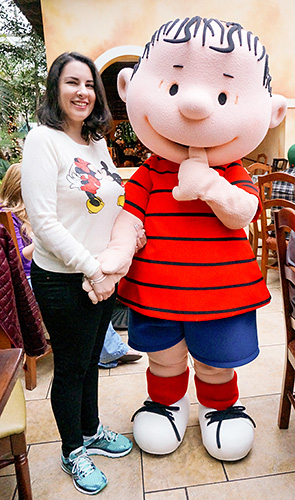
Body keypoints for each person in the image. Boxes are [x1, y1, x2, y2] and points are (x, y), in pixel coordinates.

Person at [84, 16, 286, 462]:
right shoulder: (151, 172)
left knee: (216, 361)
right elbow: (129, 217)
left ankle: (220, 408)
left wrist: (211, 186)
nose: (195, 106)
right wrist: (117, 253)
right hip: (157, 292)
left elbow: (244, 215)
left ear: (272, 112)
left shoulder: (235, 172)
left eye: (222, 95)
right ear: (127, 87)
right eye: (172, 88)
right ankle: (166, 404)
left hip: (220, 295)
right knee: (165, 357)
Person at [21, 52, 133, 496]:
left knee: (91, 363)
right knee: (70, 367)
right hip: (64, 279)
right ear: (56, 89)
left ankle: (90, 430)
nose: (82, 92)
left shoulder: (95, 142)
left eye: (89, 84)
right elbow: (44, 223)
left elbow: (111, 202)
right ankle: (73, 451)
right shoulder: (42, 141)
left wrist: (114, 258)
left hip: (101, 275)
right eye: (72, 83)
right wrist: (93, 269)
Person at [0, 163, 34, 285]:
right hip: (26, 278)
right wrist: (45, 237)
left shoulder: (31, 210)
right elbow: (19, 259)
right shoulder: (6, 215)